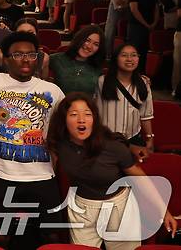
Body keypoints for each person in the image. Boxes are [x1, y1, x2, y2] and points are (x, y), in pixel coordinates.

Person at [0, 32, 66, 249]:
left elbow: (70, 124)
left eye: (31, 55)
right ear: (6, 59)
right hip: (4, 177)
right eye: (18, 54)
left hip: (43, 176)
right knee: (2, 237)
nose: (25, 59)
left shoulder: (52, 91)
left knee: (51, 237)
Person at [47, 92, 177, 249]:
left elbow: (141, 180)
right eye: (74, 114)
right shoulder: (59, 144)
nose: (81, 119)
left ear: (94, 119)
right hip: (81, 207)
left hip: (118, 208)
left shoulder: (112, 147)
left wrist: (163, 211)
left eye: (87, 114)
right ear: (64, 120)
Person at [96, 43, 154, 163]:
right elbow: (96, 113)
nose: (129, 59)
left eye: (133, 55)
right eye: (124, 55)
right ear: (115, 58)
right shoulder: (102, 82)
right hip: (107, 140)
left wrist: (149, 138)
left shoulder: (143, 83)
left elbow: (146, 115)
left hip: (133, 139)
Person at [49, 26, 104, 94]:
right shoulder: (56, 59)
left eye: (96, 44)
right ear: (79, 39)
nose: (89, 46)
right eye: (87, 40)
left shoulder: (98, 69)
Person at [128, 0, 160, 72]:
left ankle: (142, 74)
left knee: (145, 51)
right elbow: (134, 10)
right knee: (135, 50)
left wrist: (154, 23)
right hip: (136, 26)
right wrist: (145, 24)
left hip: (149, 26)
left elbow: (156, 10)